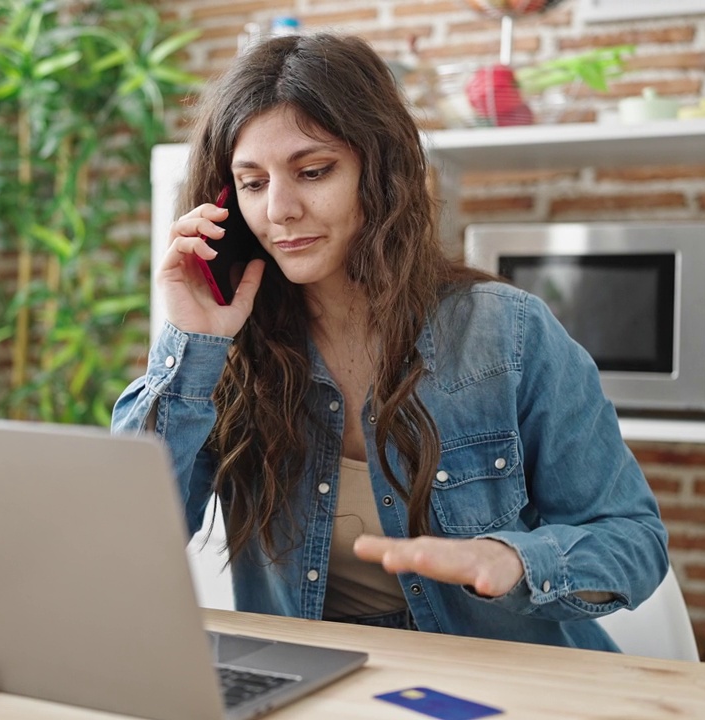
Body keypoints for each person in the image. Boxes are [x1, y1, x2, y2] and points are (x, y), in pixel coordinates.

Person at [112, 32, 668, 651]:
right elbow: (126, 540)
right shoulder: (225, 354)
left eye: (313, 171)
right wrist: (191, 344)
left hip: (503, 680)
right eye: (251, 183)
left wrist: (513, 561)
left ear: (380, 172)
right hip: (314, 684)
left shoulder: (507, 334)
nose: (280, 210)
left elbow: (634, 539)